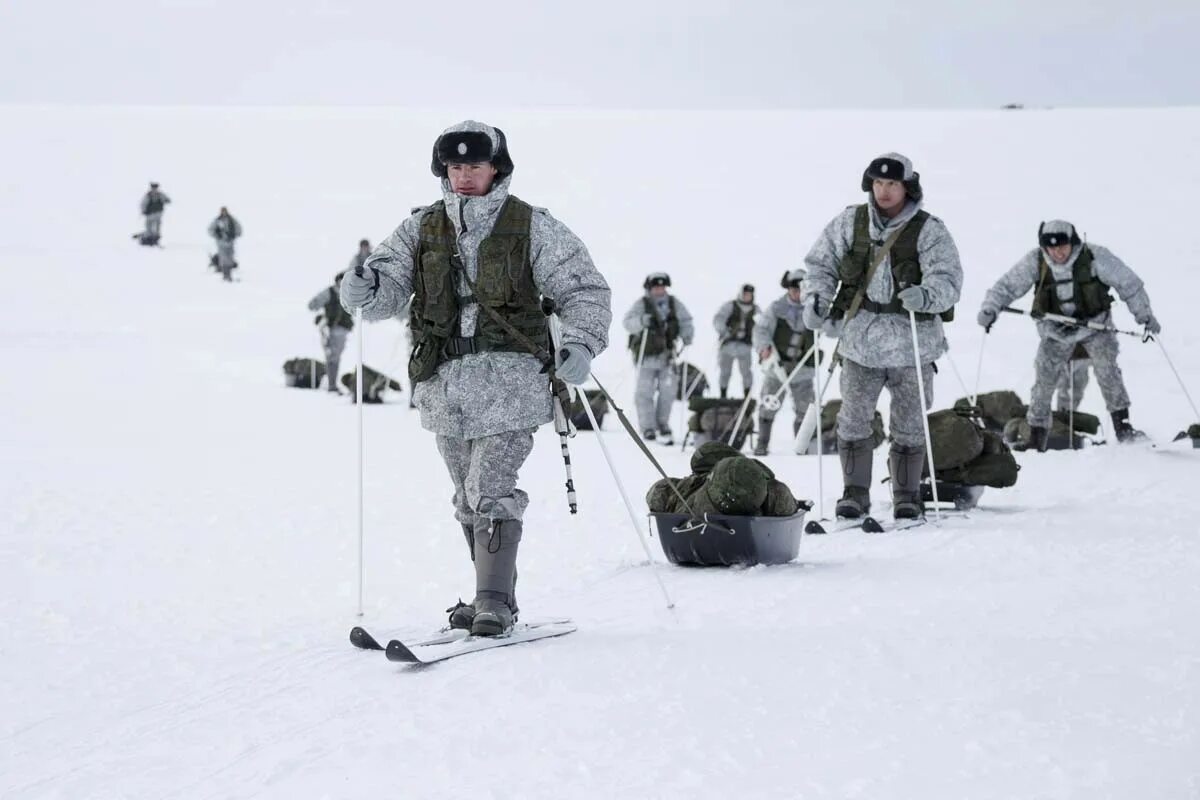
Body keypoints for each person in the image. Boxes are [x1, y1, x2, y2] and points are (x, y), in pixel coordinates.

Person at [338, 120, 611, 636]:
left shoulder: (534, 226)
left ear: (496, 169)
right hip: (444, 385)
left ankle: (493, 604)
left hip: (511, 381)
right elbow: (387, 288)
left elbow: (584, 291)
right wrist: (365, 287)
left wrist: (581, 343)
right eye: (455, 167)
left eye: (475, 166)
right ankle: (494, 597)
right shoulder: (420, 228)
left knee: (490, 487)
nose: (464, 176)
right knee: (466, 495)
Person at [803, 153, 963, 520]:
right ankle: (854, 493)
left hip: (912, 342)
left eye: (892, 184)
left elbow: (949, 278)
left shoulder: (929, 230)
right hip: (860, 341)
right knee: (853, 417)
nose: (884, 191)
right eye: (878, 183)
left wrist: (927, 295)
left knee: (909, 421)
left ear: (907, 186)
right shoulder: (851, 222)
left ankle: (907, 495)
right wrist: (816, 299)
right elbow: (820, 264)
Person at [977, 220, 1159, 450]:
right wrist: (990, 308)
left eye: (1062, 247)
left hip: (1096, 328)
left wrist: (1145, 316)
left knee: (1108, 372)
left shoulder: (1095, 256)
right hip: (1054, 332)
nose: (1057, 252)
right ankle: (1036, 435)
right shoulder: (1036, 260)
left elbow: (1129, 285)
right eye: (1051, 248)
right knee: (1044, 379)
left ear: (1073, 243)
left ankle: (1124, 429)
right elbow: (1007, 286)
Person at [751, 270, 819, 456]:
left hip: (803, 368)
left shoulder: (816, 308)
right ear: (788, 289)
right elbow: (761, 329)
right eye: (794, 289)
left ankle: (802, 446)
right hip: (777, 367)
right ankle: (762, 443)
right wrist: (763, 347)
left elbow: (830, 328)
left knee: (805, 407)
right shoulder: (776, 308)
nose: (797, 293)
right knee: (768, 404)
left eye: (801, 289)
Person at [622, 273, 694, 445]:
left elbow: (686, 321)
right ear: (649, 288)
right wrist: (642, 321)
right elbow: (627, 323)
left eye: (662, 287)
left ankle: (663, 424)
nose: (659, 290)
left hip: (667, 357)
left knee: (667, 393)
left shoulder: (674, 304)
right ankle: (647, 427)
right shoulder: (642, 304)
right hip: (645, 358)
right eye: (656, 287)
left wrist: (687, 335)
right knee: (644, 393)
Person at [308, 271, 354, 392]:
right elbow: (313, 304)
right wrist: (319, 313)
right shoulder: (329, 292)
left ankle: (332, 383)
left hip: (342, 330)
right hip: (329, 330)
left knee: (335, 358)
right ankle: (331, 384)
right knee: (331, 357)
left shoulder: (349, 293)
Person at [712, 284, 759, 399]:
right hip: (728, 345)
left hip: (745, 346)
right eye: (745, 294)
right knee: (725, 372)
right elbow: (718, 319)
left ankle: (747, 396)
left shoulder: (756, 310)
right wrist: (724, 331)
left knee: (746, 372)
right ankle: (723, 394)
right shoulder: (730, 306)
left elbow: (761, 325)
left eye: (749, 295)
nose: (747, 297)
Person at [207, 207, 242, 282]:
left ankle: (229, 274)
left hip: (230, 242)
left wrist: (235, 235)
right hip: (221, 242)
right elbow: (210, 230)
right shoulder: (217, 220)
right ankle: (225, 274)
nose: (224, 213)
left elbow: (238, 228)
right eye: (223, 211)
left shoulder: (232, 220)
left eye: (225, 211)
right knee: (223, 258)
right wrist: (217, 236)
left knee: (230, 258)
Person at [1055, 345, 1090, 412]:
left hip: (1082, 355)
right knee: (1063, 388)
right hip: (1063, 353)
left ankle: (1071, 411)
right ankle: (1063, 410)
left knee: (1077, 389)